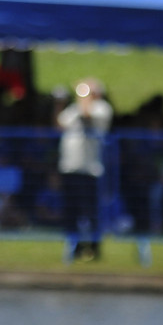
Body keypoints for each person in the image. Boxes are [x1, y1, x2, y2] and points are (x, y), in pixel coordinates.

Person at [56, 78, 111, 261]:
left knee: (90, 211)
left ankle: (94, 248)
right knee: (72, 210)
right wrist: (60, 103)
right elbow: (60, 123)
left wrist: (85, 95)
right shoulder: (74, 108)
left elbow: (87, 116)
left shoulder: (102, 108)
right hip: (70, 167)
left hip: (90, 169)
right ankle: (75, 246)